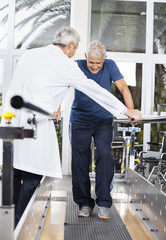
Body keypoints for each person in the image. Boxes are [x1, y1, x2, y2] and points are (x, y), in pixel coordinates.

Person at [0, 27, 141, 226]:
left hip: (11, 123)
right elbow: (94, 90)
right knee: (31, 177)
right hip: (37, 126)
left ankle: (8, 224)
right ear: (72, 46)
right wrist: (127, 111)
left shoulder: (28, 55)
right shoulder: (67, 65)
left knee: (14, 174)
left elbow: (23, 88)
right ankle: (17, 225)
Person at [70, 40, 135, 219]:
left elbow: (123, 87)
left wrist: (131, 112)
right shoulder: (76, 66)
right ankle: (84, 203)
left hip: (103, 120)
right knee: (79, 162)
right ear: (85, 57)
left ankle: (104, 202)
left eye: (99, 63)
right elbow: (61, 85)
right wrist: (56, 107)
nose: (95, 66)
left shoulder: (110, 65)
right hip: (80, 120)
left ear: (105, 59)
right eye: (91, 62)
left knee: (105, 155)